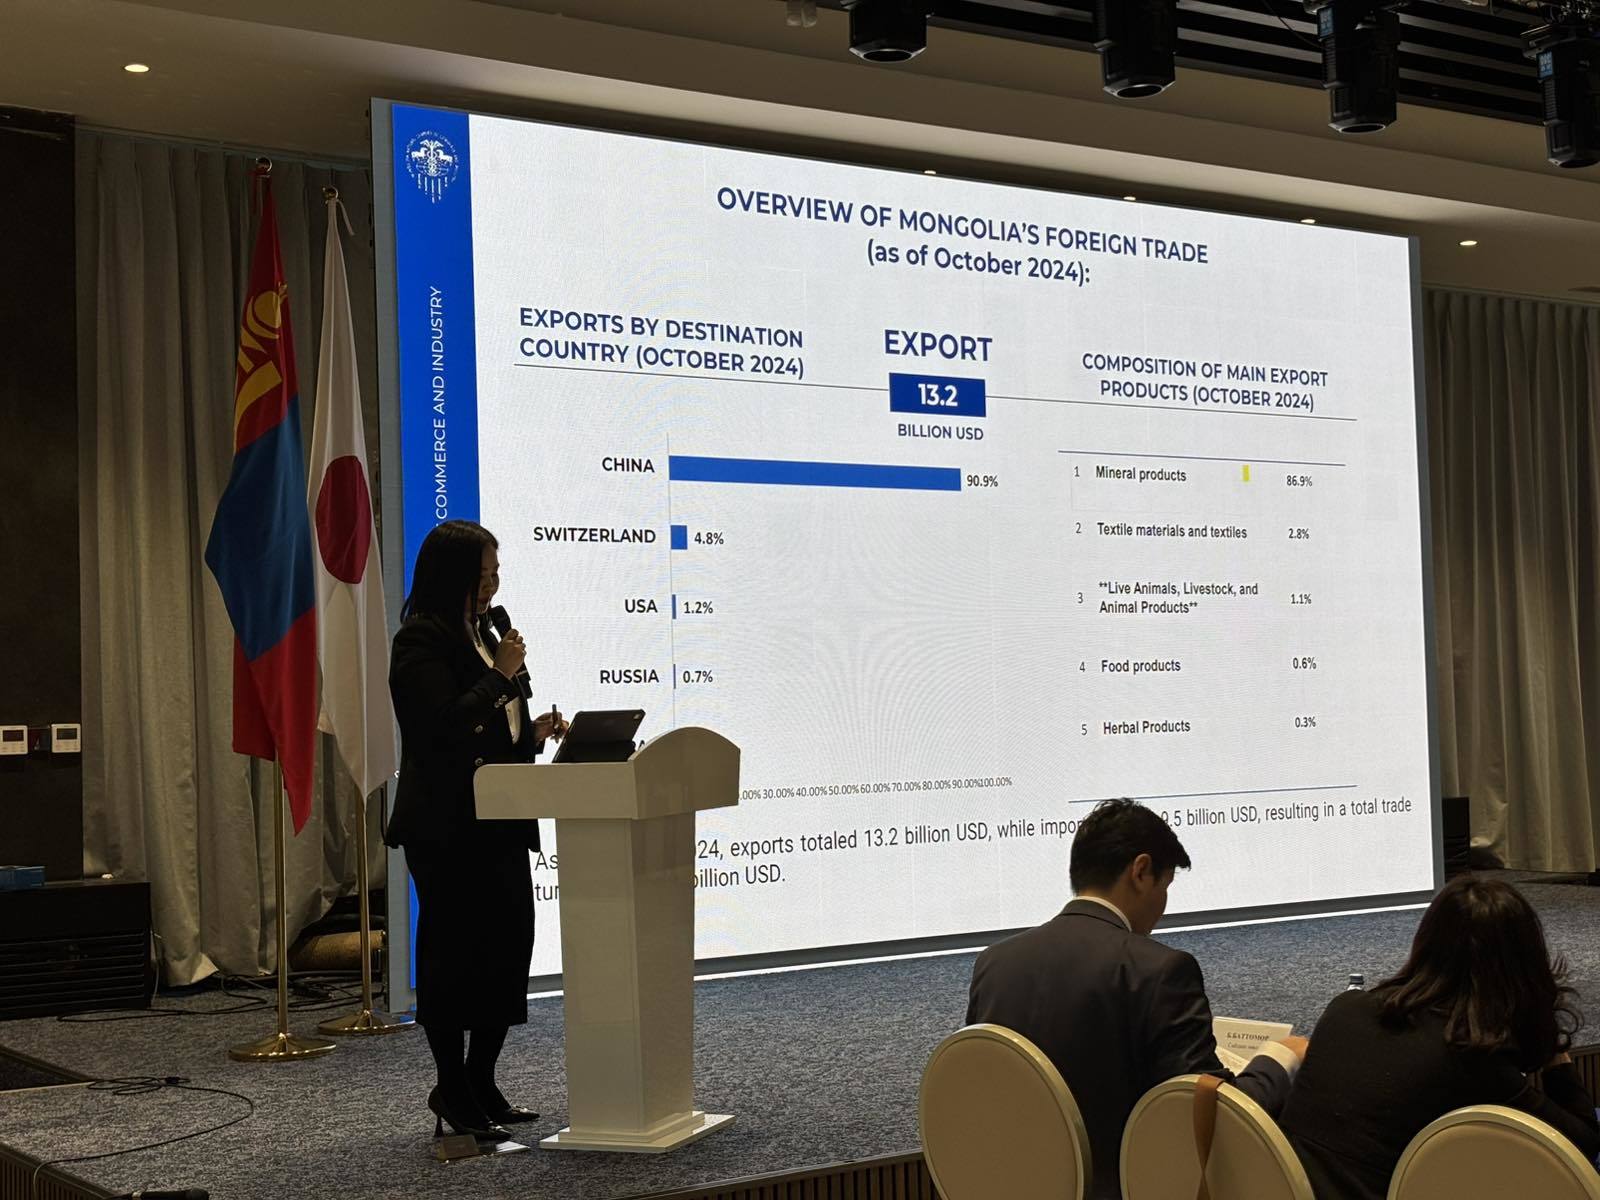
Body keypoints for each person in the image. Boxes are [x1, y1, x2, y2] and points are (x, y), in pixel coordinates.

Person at [966, 799, 1306, 1200]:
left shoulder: (994, 963)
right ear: (1141, 871)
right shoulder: (1159, 970)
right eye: (1166, 887)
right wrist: (1280, 1059)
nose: (1163, 906)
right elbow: (1214, 1121)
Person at [387, 520, 565, 1142]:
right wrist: (500, 677)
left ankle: (480, 1080)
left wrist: (529, 735)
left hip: (501, 818)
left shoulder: (485, 635)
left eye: (496, 572)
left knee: (506, 952)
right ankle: (451, 1087)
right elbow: (441, 728)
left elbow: (490, 729)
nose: (493, 584)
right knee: (453, 959)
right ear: (454, 575)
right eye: (484, 573)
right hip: (446, 827)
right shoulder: (420, 640)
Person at [1280, 875, 1600, 1200]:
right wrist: (1552, 1046)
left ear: (1424, 944)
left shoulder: (1344, 1008)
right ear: (1525, 970)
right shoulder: (1469, 1057)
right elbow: (1581, 1146)